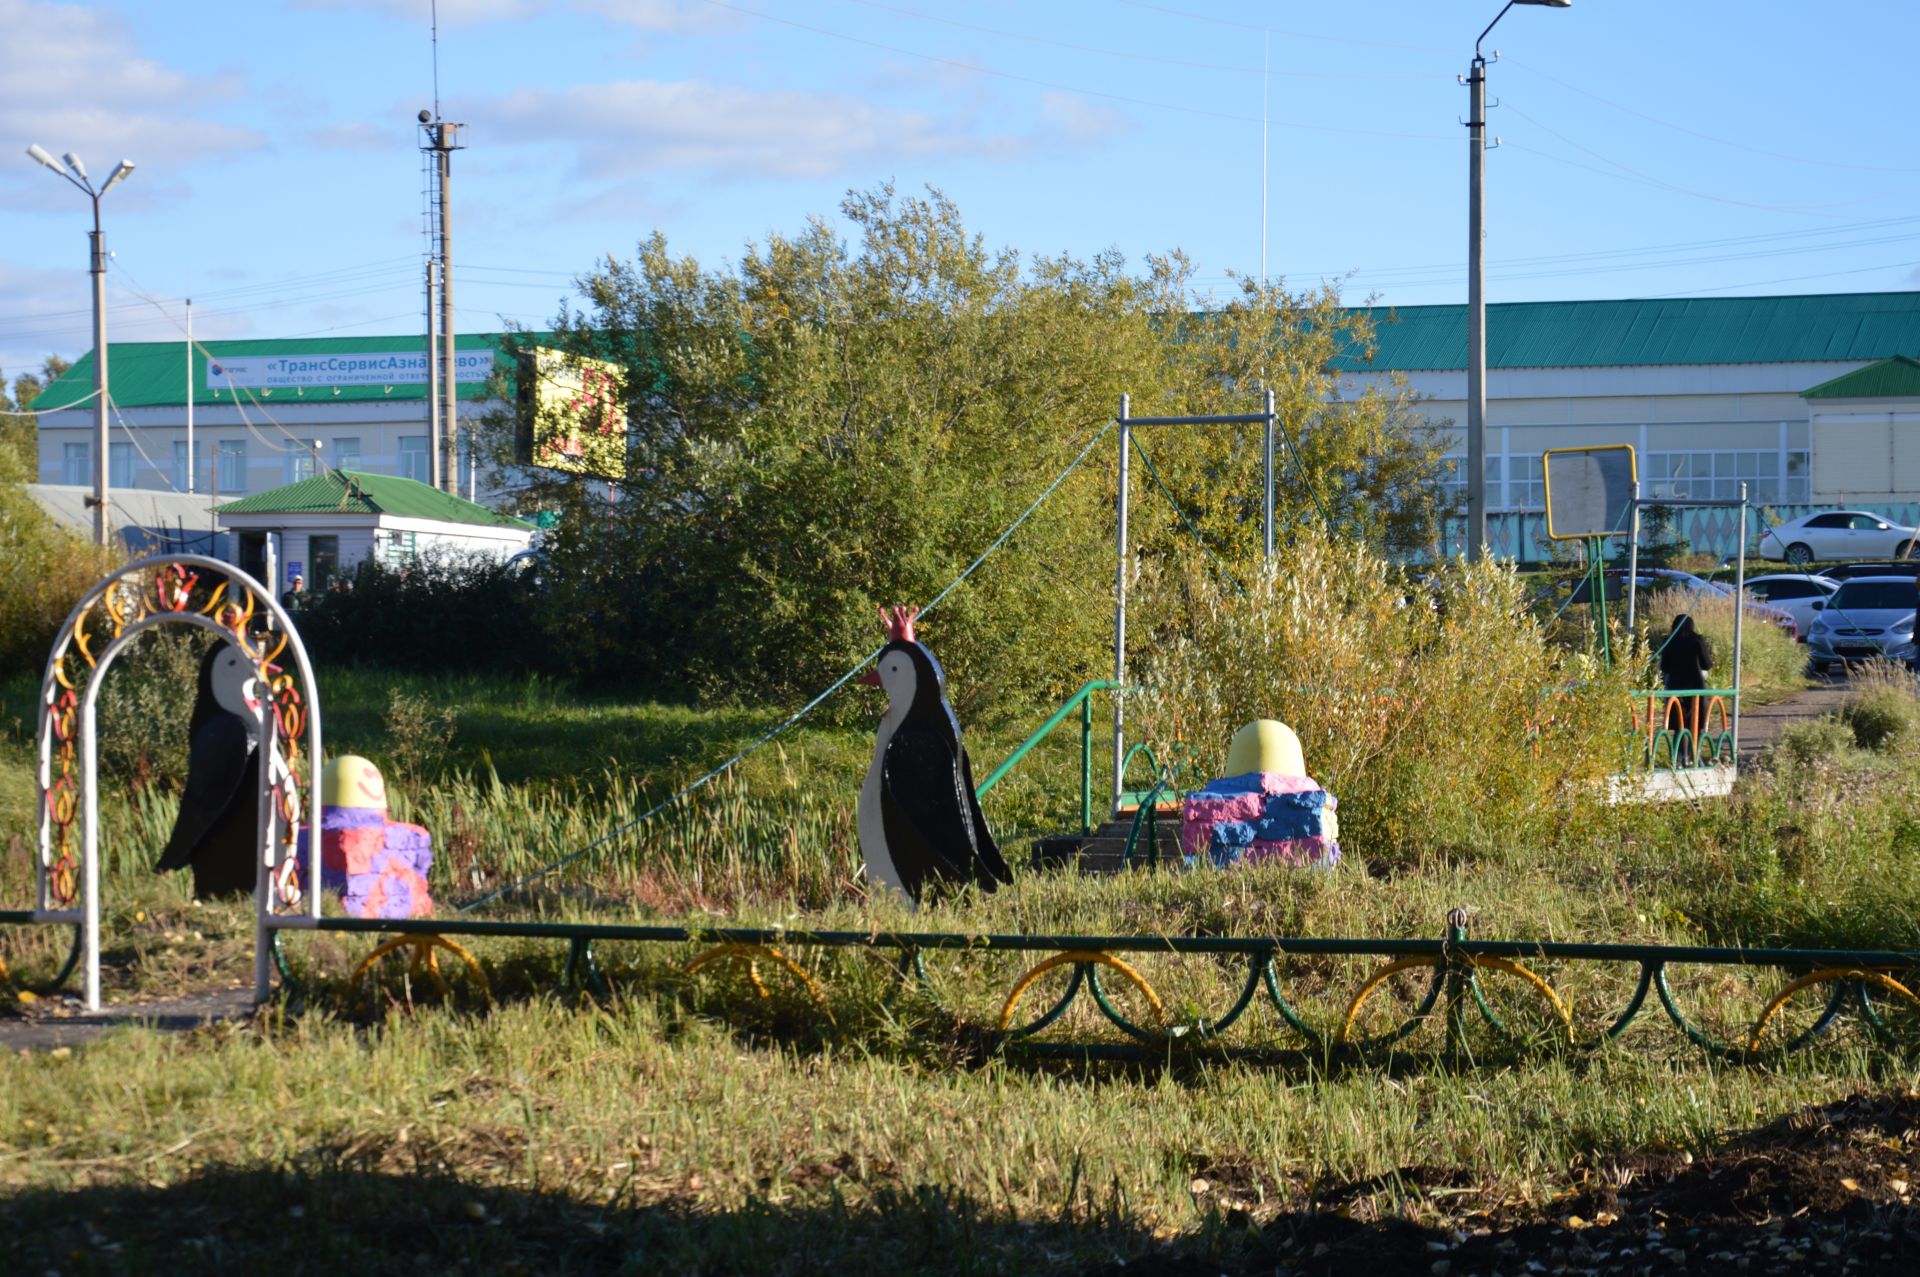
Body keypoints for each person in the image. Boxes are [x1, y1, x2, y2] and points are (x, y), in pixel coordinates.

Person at [1658, 614, 1713, 763]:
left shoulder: (1669, 641)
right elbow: (1707, 664)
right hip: (1695, 686)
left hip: (1675, 687)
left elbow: (1664, 667)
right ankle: (1694, 757)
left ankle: (1679, 757)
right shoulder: (1697, 640)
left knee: (1679, 725)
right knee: (1695, 723)